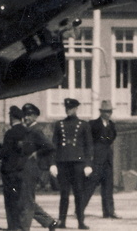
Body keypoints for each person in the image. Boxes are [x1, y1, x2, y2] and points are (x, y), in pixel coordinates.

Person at [50, 98, 93, 229]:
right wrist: (53, 163)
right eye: (67, 108)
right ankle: (62, 221)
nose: (68, 110)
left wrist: (88, 164)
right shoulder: (59, 124)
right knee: (64, 193)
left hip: (78, 163)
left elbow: (88, 146)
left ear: (75, 109)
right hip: (63, 162)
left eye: (71, 108)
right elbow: (54, 145)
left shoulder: (83, 125)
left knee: (79, 193)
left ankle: (81, 221)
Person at [20, 103, 58, 231]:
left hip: (31, 169)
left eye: (29, 115)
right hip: (25, 168)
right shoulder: (27, 130)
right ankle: (49, 222)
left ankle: (24, 228)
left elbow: (50, 146)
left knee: (27, 199)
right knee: (26, 198)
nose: (26, 117)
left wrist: (37, 153)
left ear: (35, 116)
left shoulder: (36, 130)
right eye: (25, 115)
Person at [83, 100, 120, 219]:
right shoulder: (93, 124)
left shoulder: (111, 125)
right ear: (101, 112)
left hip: (107, 159)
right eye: (106, 111)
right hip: (97, 159)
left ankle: (109, 211)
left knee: (108, 186)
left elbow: (112, 137)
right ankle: (80, 208)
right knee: (90, 185)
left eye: (110, 111)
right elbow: (88, 140)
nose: (108, 114)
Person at [0, 105, 27, 231]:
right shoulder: (26, 131)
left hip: (9, 170)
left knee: (10, 200)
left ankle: (12, 226)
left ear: (12, 117)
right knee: (20, 199)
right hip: (22, 169)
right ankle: (19, 225)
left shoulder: (10, 133)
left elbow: (5, 151)